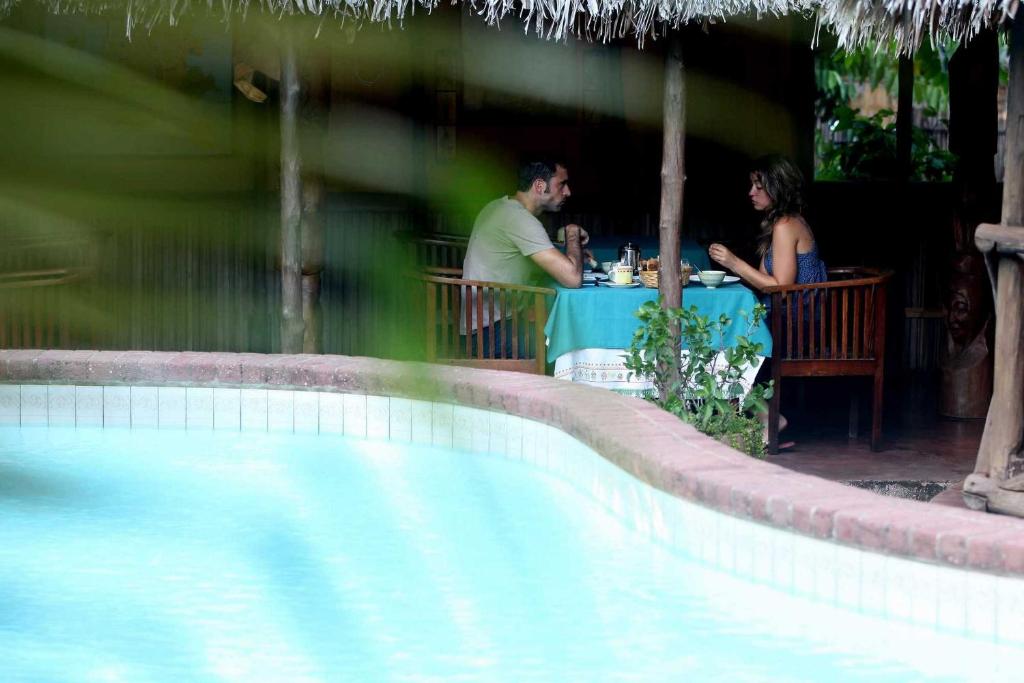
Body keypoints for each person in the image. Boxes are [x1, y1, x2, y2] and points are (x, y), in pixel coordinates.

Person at [461, 159, 590, 355]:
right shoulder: (519, 219)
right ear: (539, 185)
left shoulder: (499, 206)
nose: (568, 192)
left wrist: (567, 254)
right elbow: (572, 278)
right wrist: (572, 232)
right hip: (492, 335)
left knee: (554, 332)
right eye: (562, 184)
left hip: (487, 326)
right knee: (569, 347)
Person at [707, 155, 826, 291]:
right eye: (752, 185)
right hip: (776, 306)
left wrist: (734, 262)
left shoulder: (786, 225)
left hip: (793, 311)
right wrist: (728, 262)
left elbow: (782, 289)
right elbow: (762, 282)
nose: (751, 192)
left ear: (778, 188)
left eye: (758, 187)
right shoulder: (779, 222)